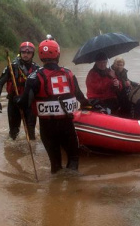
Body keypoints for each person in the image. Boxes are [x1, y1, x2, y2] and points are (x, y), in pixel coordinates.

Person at [15, 39, 89, 174]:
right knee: (73, 158)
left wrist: (17, 100)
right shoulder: (69, 74)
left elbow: (24, 103)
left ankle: (55, 189)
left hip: (47, 127)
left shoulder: (33, 77)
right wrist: (89, 105)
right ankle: (72, 190)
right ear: (58, 55)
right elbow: (80, 97)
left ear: (40, 56)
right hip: (67, 125)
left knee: (55, 165)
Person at [0, 42, 39, 140]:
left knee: (31, 134)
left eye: (29, 53)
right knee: (13, 134)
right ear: (20, 52)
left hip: (29, 104)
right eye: (23, 52)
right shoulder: (12, 67)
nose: (25, 55)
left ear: (32, 54)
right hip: (14, 103)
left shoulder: (37, 69)